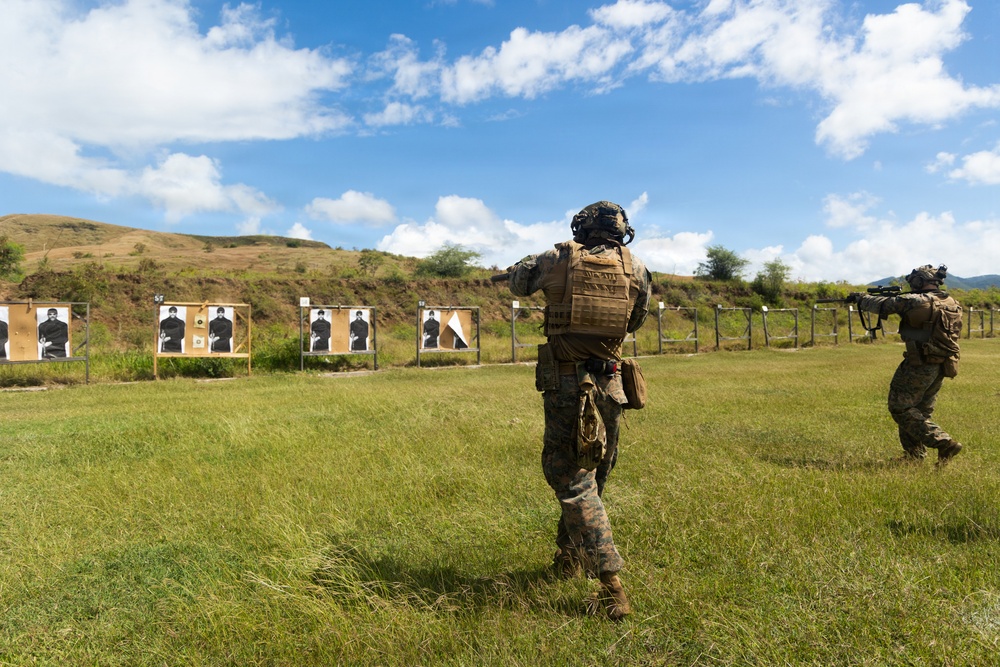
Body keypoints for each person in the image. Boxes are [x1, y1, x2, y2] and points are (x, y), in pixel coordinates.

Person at [505, 200, 651, 620]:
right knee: (594, 473)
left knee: (571, 478)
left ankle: (611, 584)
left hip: (568, 383)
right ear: (621, 231)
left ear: (582, 227)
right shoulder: (637, 268)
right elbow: (635, 321)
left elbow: (519, 283)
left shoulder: (558, 258)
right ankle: (569, 557)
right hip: (610, 385)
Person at [851, 264, 963, 465]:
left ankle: (944, 442)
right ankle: (914, 455)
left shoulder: (916, 300)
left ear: (919, 281)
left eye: (914, 281)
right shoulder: (950, 301)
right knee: (919, 411)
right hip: (942, 363)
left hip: (919, 363)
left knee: (900, 407)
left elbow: (884, 305)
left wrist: (861, 298)